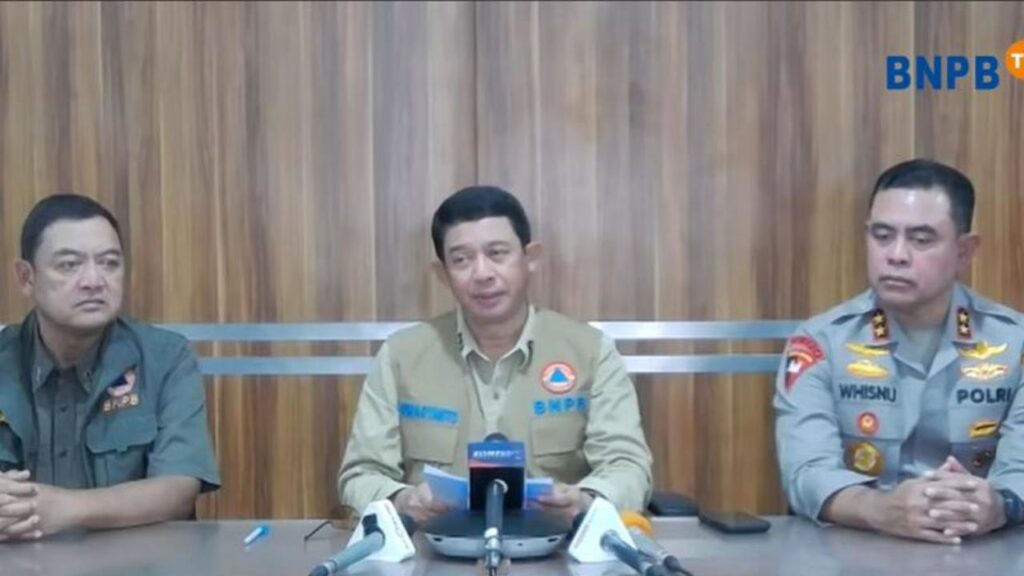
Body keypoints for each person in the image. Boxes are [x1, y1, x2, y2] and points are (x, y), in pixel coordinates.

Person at [337, 185, 653, 524]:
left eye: (497, 254)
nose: (483, 274)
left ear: (530, 259)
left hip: (560, 544)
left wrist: (587, 501)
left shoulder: (590, 351)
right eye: (462, 260)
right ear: (443, 274)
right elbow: (360, 474)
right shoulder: (401, 356)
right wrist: (401, 500)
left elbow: (628, 466)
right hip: (433, 545)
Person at [775, 159, 1024, 544]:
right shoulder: (819, 343)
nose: (896, 255)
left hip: (985, 552)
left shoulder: (1015, 344)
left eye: (921, 240)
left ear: (964, 251)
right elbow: (805, 472)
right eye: (882, 235)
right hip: (854, 554)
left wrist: (998, 506)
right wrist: (882, 510)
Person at [0, 194, 220, 541]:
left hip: (138, 562)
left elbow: (179, 488)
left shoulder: (164, 357)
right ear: (27, 277)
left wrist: (65, 508)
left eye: (109, 263)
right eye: (69, 265)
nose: (94, 280)